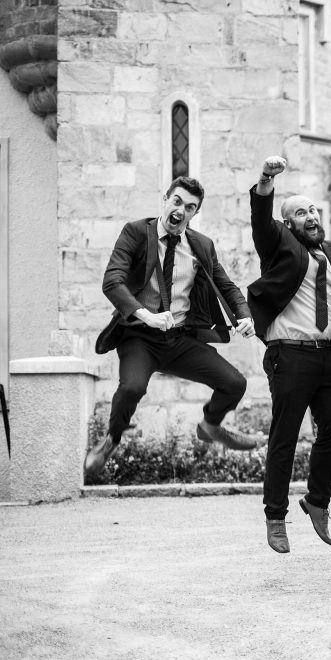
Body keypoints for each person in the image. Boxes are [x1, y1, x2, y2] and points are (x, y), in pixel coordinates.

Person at [86, 176, 257, 477]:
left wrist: (244, 315)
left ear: (195, 213)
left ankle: (210, 425)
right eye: (177, 202)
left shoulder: (201, 246)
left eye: (190, 207)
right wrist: (146, 315)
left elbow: (227, 286)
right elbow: (112, 281)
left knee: (235, 383)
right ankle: (111, 438)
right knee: (132, 387)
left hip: (179, 340)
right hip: (139, 336)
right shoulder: (136, 233)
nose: (181, 210)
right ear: (165, 200)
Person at [249, 156, 331, 553]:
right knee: (285, 436)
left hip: (326, 356)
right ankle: (275, 516)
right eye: (301, 212)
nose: (311, 216)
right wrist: (266, 179)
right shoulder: (278, 245)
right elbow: (261, 217)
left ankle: (317, 501)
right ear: (288, 223)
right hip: (288, 354)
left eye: (314, 210)